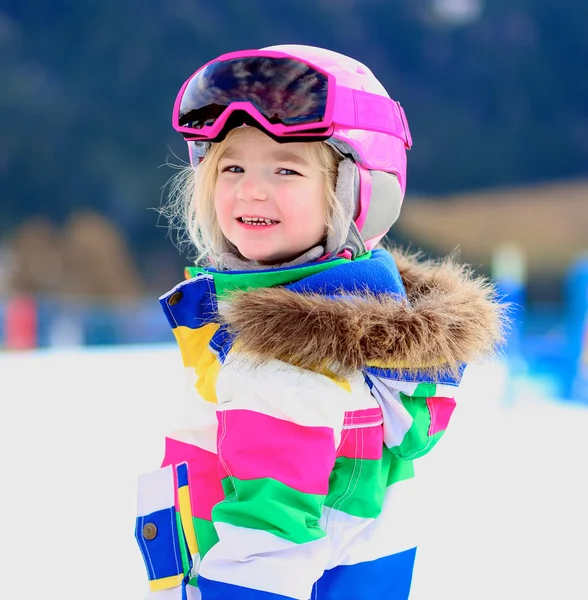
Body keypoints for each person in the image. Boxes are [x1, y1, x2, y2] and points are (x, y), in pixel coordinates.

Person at [135, 45, 507, 600]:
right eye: (231, 165)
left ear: (359, 194)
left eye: (286, 169)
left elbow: (266, 548)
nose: (250, 189)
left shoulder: (284, 366)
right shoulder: (361, 349)